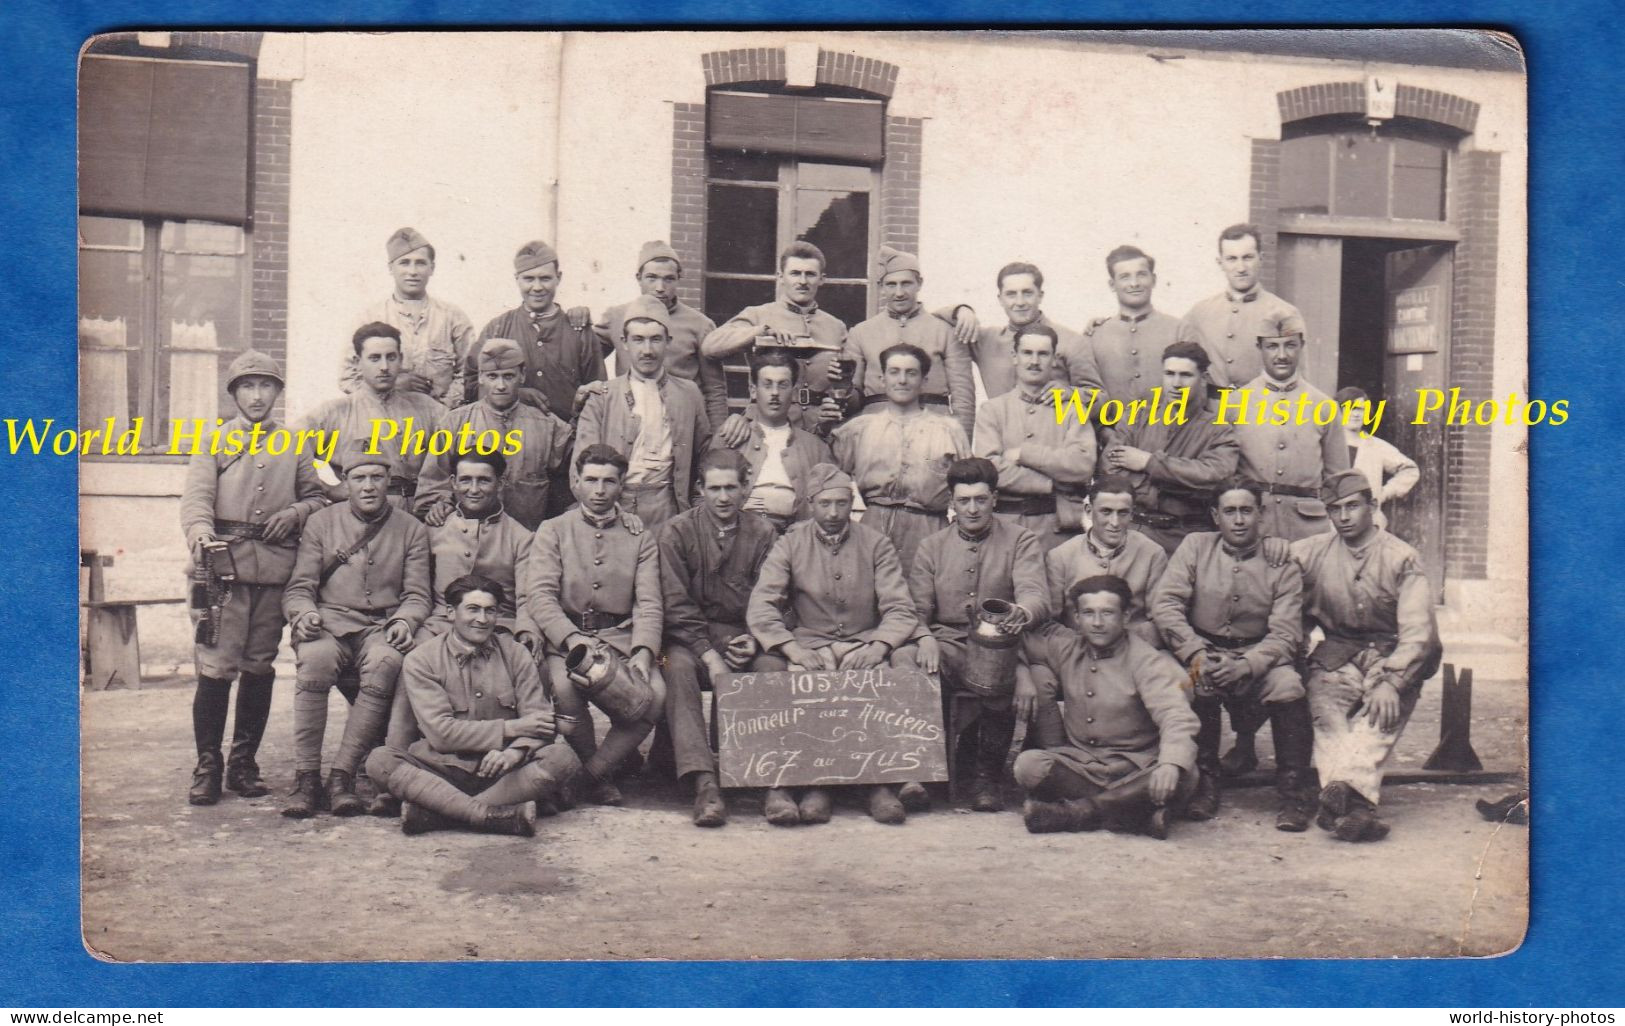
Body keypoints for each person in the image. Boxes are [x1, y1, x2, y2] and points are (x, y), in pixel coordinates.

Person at [179, 351, 327, 805]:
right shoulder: (214, 441)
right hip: (222, 571)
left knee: (259, 667)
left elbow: (319, 497)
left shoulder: (295, 442)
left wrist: (296, 512)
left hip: (274, 573)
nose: (257, 395)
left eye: (266, 386)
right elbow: (197, 501)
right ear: (234, 394)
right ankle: (208, 764)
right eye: (247, 386)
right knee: (216, 669)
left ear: (277, 392)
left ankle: (244, 762)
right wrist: (202, 534)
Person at [746, 463, 924, 825]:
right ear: (810, 503)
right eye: (824, 503)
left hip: (863, 641)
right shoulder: (790, 543)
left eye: (842, 504)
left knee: (878, 684)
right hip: (810, 643)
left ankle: (879, 783)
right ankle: (812, 784)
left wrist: (879, 646)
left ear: (852, 503)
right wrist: (792, 649)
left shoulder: (876, 543)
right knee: (800, 686)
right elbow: (763, 605)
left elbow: (900, 608)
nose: (833, 513)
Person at [369, 449, 540, 818]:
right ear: (452, 484)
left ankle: (455, 788)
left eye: (484, 480)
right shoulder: (433, 529)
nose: (474, 488)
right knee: (406, 663)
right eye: (465, 480)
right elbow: (416, 587)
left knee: (515, 665)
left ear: (500, 483)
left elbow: (527, 595)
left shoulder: (521, 537)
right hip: (440, 622)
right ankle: (400, 761)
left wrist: (527, 629)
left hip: (499, 622)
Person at [1149, 479, 1316, 831]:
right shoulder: (1195, 547)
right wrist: (1194, 652)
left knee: (1288, 686)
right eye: (1229, 511)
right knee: (1192, 685)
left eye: (1246, 511)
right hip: (1202, 650)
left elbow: (1286, 633)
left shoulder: (1282, 563)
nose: (1238, 520)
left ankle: (1293, 793)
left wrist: (1246, 665)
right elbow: (1166, 604)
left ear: (1261, 515)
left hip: (1259, 654)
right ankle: (1206, 783)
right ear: (1215, 516)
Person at [280, 440, 432, 818]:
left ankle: (342, 777)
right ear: (345, 481)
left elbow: (417, 595)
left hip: (381, 625)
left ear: (389, 482)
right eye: (359, 478)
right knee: (314, 660)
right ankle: (306, 778)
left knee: (385, 662)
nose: (368, 486)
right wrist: (304, 614)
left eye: (377, 478)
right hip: (329, 623)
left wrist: (403, 620)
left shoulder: (410, 528)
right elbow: (300, 587)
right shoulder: (321, 522)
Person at [364, 574, 579, 837]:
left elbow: (541, 723)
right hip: (442, 768)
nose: (482, 619)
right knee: (380, 760)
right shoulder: (422, 659)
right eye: (473, 609)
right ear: (451, 612)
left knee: (563, 758)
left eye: (490, 611)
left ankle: (439, 813)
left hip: (504, 769)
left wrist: (514, 753)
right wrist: (514, 727)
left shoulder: (516, 654)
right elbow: (442, 735)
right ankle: (487, 814)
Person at [1292, 470, 1443, 842]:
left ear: (1372, 507)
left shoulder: (1401, 558)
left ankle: (1342, 795)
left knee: (1380, 713)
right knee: (1325, 711)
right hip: (1337, 652)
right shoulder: (1312, 553)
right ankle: (1356, 807)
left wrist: (1393, 682)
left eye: (1352, 507)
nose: (1343, 517)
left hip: (1391, 653)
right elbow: (1275, 571)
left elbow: (1417, 634)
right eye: (1335, 509)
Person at [522, 444, 664, 806]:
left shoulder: (640, 537)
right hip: (567, 637)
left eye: (609, 482)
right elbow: (540, 595)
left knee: (654, 696)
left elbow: (648, 602)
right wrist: (571, 641)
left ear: (622, 486)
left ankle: (591, 775)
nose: (599, 490)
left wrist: (643, 653)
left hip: (620, 635)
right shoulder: (553, 530)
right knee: (564, 688)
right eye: (591, 480)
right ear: (577, 482)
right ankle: (599, 773)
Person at [910, 458, 1050, 811]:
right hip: (949, 642)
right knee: (918, 666)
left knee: (997, 670)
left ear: (995, 499)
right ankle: (929, 768)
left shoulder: (1021, 540)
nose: (972, 509)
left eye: (981, 500)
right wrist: (924, 636)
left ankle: (986, 776)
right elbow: (917, 608)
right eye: (964, 501)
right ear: (952, 504)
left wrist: (1023, 612)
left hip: (1004, 641)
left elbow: (1035, 593)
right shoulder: (932, 546)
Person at [1015, 575, 1200, 839]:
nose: (1098, 623)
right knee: (1028, 766)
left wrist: (1170, 763)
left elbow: (1176, 715)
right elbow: (1017, 642)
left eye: (1108, 613)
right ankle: (1134, 812)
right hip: (1084, 766)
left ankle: (1080, 813)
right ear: (1076, 618)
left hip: (1136, 765)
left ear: (1125, 617)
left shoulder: (1146, 660)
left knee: (1184, 773)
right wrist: (1022, 672)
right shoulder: (1067, 647)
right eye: (1088, 613)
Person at [657, 449, 781, 827]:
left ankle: (768, 776)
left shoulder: (764, 533)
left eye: (731, 488)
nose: (723, 498)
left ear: (745, 489)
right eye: (714, 488)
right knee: (674, 669)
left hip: (744, 635)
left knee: (774, 666)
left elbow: (775, 596)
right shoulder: (677, 530)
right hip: (683, 640)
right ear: (700, 489)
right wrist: (706, 652)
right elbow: (673, 603)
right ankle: (704, 782)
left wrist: (755, 639)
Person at [465, 240, 606, 518]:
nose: (537, 287)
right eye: (528, 279)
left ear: (559, 278)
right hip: (510, 456)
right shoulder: (498, 327)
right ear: (517, 280)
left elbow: (597, 392)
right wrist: (517, 393)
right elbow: (471, 383)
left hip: (564, 460)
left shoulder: (578, 330)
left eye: (545, 278)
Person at [573, 296, 713, 530]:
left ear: (668, 341)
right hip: (610, 510)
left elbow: (704, 456)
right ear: (624, 342)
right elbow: (579, 470)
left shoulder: (689, 394)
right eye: (638, 340)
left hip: (669, 508)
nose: (647, 350)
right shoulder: (603, 396)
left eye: (655, 340)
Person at [831, 342, 970, 572]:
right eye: (894, 372)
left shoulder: (948, 430)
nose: (902, 380)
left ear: (924, 381)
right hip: (873, 529)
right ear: (883, 379)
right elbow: (831, 479)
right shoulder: (858, 429)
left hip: (929, 530)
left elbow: (969, 487)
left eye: (911, 373)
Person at [414, 338, 573, 530]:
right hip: (468, 539)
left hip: (528, 537)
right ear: (481, 376)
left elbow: (577, 472)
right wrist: (438, 503)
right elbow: (433, 478)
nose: (500, 385)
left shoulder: (548, 426)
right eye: (492, 377)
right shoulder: (454, 423)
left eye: (508, 376)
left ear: (522, 376)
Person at [1100, 341, 1241, 556]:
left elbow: (1214, 478)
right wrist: (1181, 481)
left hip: (1184, 538)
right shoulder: (1137, 417)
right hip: (1132, 532)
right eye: (1169, 374)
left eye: (1185, 375)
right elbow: (1111, 467)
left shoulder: (1218, 430)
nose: (1176, 383)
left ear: (1203, 379)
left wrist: (1148, 463)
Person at [702, 241, 848, 442]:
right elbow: (710, 346)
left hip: (818, 428)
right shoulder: (759, 315)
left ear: (822, 279)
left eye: (810, 274)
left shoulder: (836, 326)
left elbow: (848, 384)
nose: (803, 281)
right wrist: (760, 332)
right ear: (781, 277)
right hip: (765, 426)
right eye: (795, 273)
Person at [972, 323, 1096, 552]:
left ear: (1054, 359)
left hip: (1057, 530)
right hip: (1004, 526)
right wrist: (1050, 483)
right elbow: (989, 470)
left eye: (1043, 354)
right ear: (1014, 357)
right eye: (1027, 352)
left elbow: (1082, 465)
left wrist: (1024, 454)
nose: (1034, 361)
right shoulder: (993, 410)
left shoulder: (1071, 409)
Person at [301, 322, 446, 506]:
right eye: (375, 358)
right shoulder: (337, 412)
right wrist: (328, 489)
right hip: (364, 518)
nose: (384, 366)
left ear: (401, 359)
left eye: (391, 357)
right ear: (357, 362)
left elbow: (465, 450)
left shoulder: (427, 408)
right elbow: (288, 451)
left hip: (420, 514)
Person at [843, 246, 976, 438]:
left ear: (919, 283)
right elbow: (852, 397)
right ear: (881, 286)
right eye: (891, 285)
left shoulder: (945, 331)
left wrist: (962, 446)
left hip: (934, 432)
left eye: (906, 283)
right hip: (876, 433)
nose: (899, 293)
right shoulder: (860, 333)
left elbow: (963, 397)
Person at [1230, 331, 1351, 541]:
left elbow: (1338, 479)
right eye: (1272, 346)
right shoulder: (1235, 402)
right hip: (1255, 528)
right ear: (1259, 348)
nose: (1282, 355)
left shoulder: (1324, 406)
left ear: (1302, 346)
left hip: (1308, 530)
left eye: (1290, 345)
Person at [594, 240, 727, 428]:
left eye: (668, 279)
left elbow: (715, 391)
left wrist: (717, 443)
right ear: (638, 278)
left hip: (681, 424)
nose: (660, 287)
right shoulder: (617, 317)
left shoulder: (700, 325)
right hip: (629, 423)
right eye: (652, 278)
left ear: (679, 278)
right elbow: (583, 356)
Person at [339, 227, 475, 406]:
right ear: (391, 268)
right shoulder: (370, 317)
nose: (413, 271)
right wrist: (391, 386)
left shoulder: (453, 317)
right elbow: (348, 378)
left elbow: (471, 373)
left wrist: (443, 408)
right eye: (404, 263)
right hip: (384, 421)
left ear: (431, 268)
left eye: (420, 263)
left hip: (441, 421)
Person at [935, 261, 1103, 400]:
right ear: (1000, 299)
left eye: (1027, 293)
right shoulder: (986, 340)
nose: (1020, 302)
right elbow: (931, 320)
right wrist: (960, 310)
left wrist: (1071, 394)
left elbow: (1101, 399)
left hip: (1054, 436)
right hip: (1003, 437)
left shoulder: (1070, 341)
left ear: (1040, 296)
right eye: (1011, 294)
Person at [1176, 224, 1307, 388]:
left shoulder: (1286, 313)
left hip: (1261, 410)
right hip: (1212, 410)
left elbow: (1299, 381)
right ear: (1220, 263)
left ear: (1261, 258)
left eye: (1247, 257)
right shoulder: (1198, 313)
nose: (1241, 268)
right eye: (1232, 259)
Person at [1045, 475, 1168, 646]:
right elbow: (1049, 622)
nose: (1115, 522)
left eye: (1123, 513)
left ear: (1132, 513)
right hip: (1078, 652)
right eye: (1106, 512)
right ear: (1088, 511)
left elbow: (1161, 618)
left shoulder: (1152, 553)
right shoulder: (1061, 556)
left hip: (1135, 650)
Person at [727, 348, 835, 532]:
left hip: (795, 537)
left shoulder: (815, 447)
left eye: (782, 385)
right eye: (767, 385)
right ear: (753, 391)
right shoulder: (733, 436)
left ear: (794, 393)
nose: (775, 393)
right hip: (741, 535)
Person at [1081, 245, 1182, 403]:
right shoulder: (1095, 335)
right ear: (1112, 285)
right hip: (1110, 426)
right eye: (1125, 277)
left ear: (1153, 280)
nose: (1134, 283)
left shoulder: (1178, 330)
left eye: (1141, 275)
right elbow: (1086, 392)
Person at [1335, 386, 1421, 532]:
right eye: (1350, 408)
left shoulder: (1376, 446)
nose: (1355, 414)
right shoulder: (1327, 444)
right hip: (1332, 522)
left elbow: (1410, 470)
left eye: (1360, 409)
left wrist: (1384, 493)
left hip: (1368, 523)